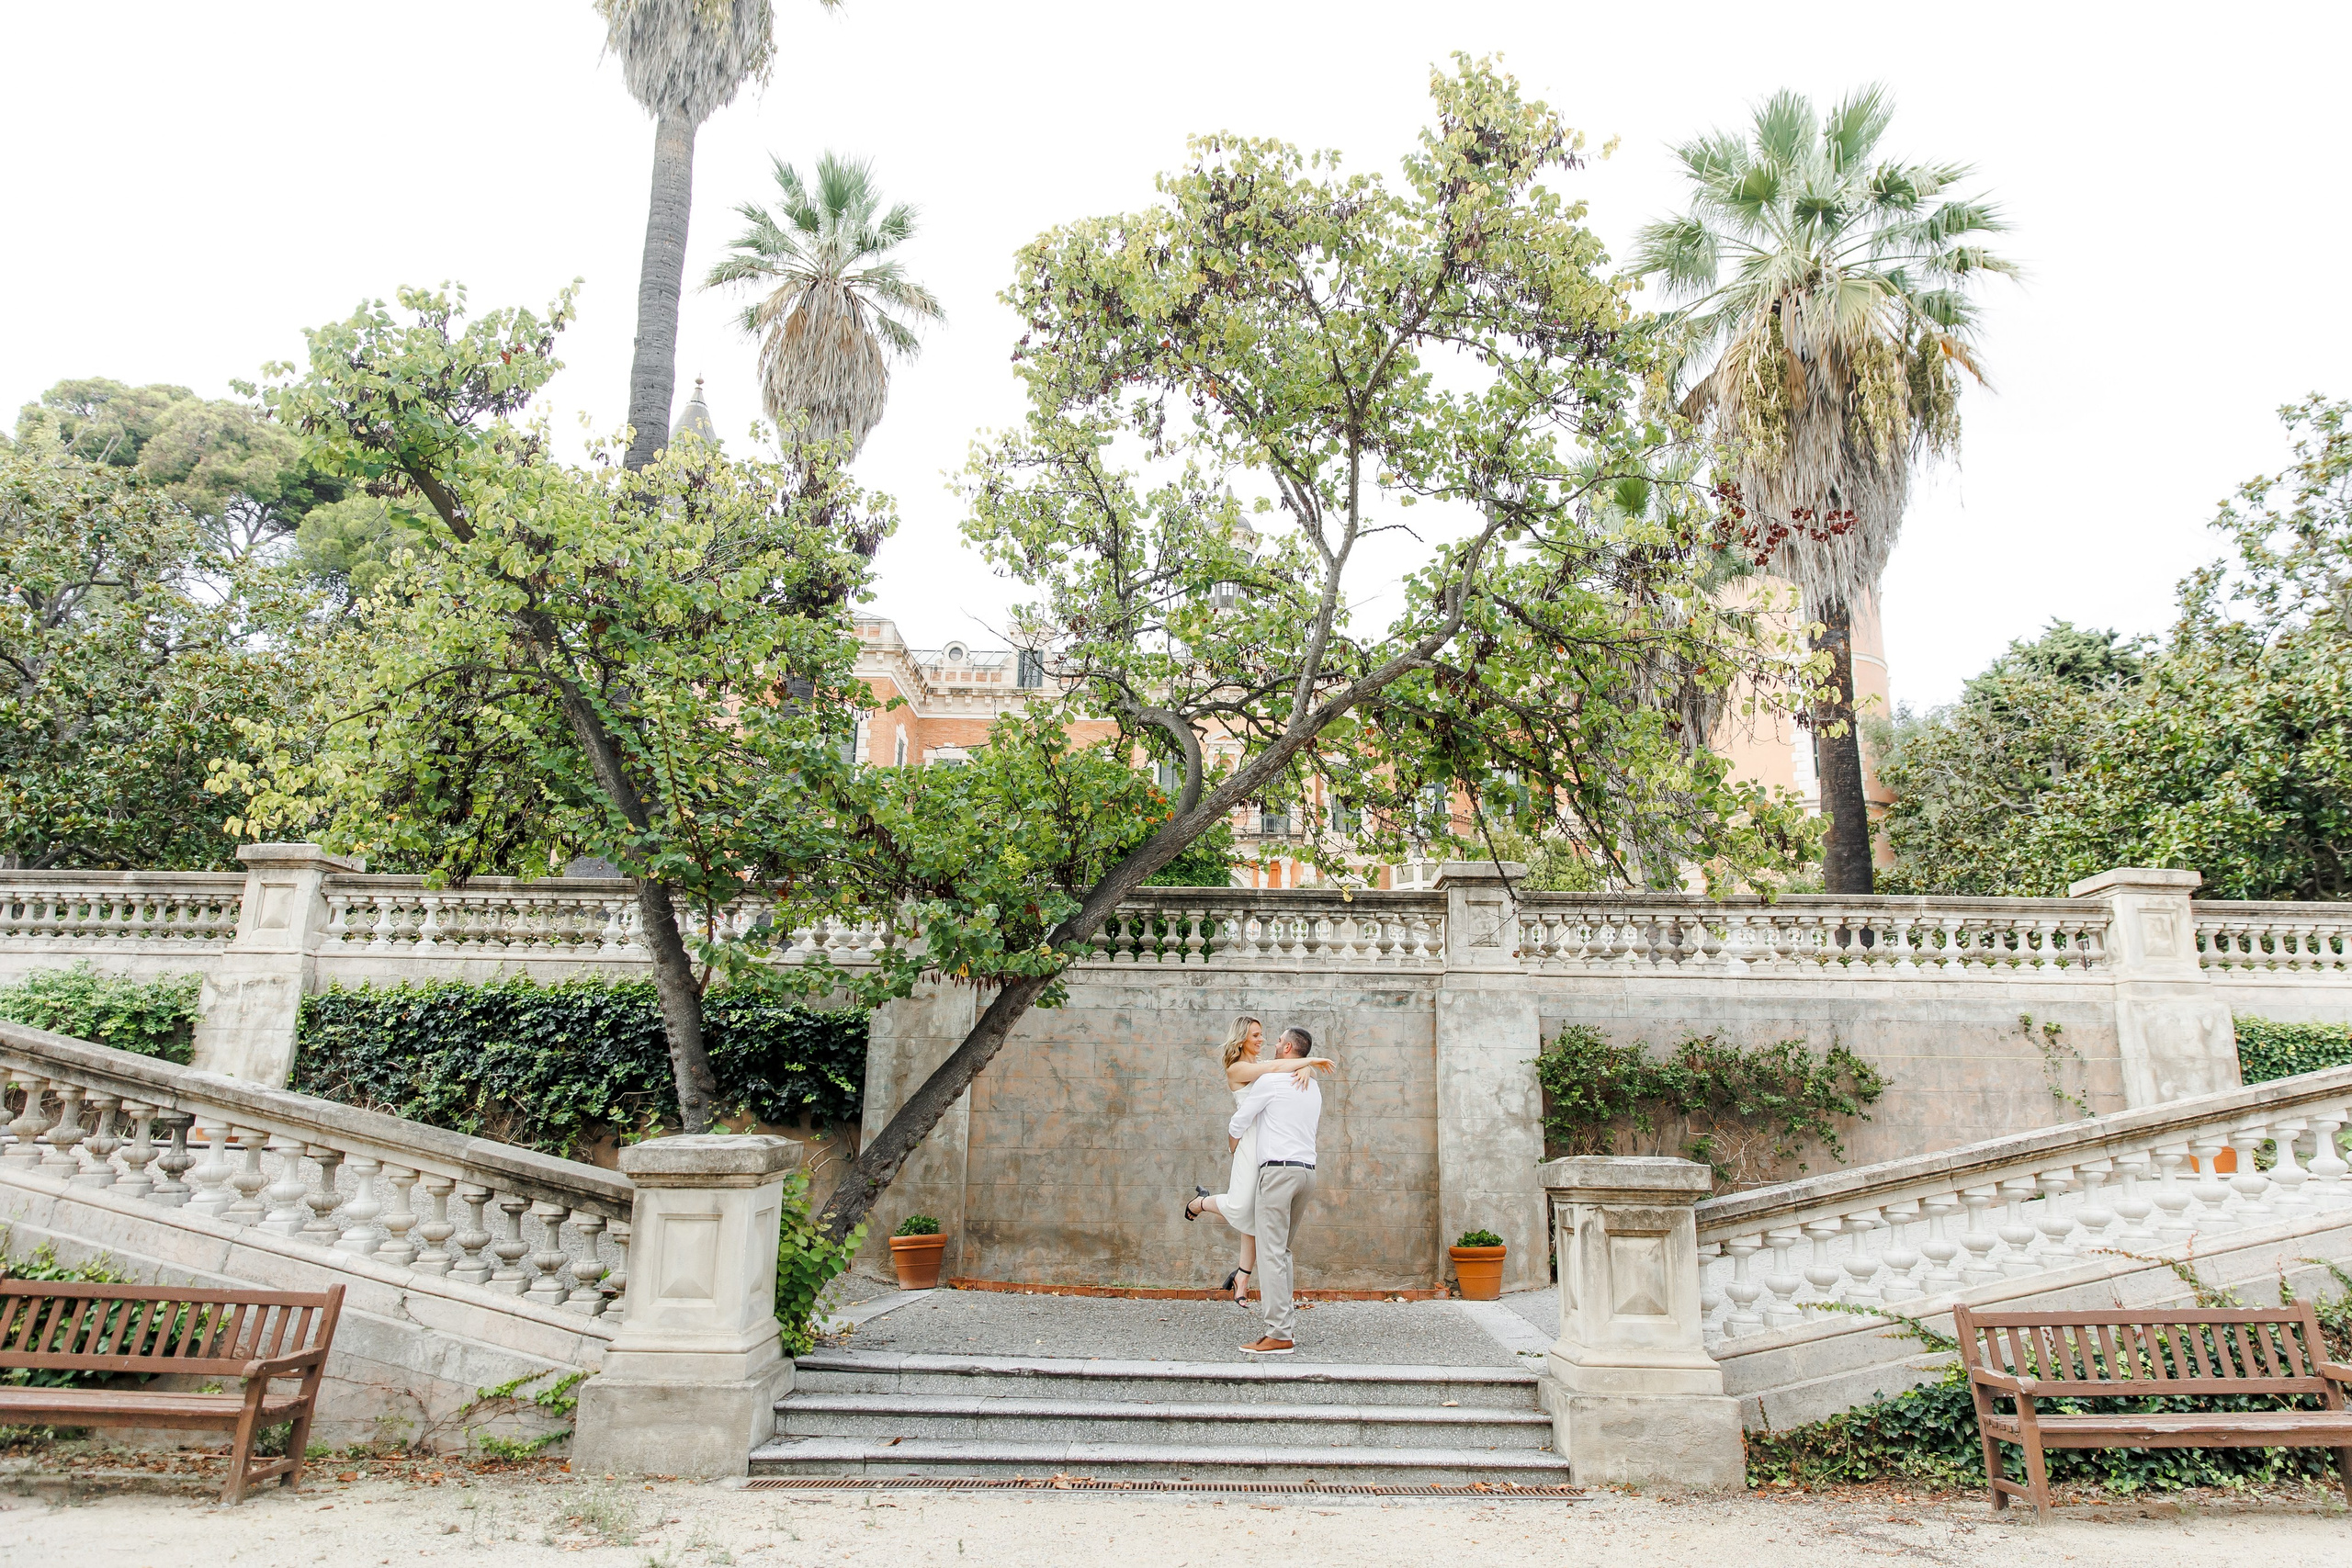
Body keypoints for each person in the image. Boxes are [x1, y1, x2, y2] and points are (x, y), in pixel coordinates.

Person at [1181, 1017, 1331, 1307]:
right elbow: (1276, 1068)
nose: (1262, 1039)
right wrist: (1308, 1062)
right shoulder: (1238, 1068)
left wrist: (1306, 1067)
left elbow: (1280, 1068)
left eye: (1263, 1035)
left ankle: (1243, 1277)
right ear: (1241, 1040)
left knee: (1255, 1215)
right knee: (1241, 1207)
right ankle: (1200, 1202)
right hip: (1249, 1142)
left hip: (1267, 1141)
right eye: (1256, 1035)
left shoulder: (1265, 1063)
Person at [1228, 1026, 1323, 1355]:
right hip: (1306, 1174)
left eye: (1278, 1041)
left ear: (1286, 1048)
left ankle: (1279, 1333)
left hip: (1279, 1173)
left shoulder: (1270, 1080)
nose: (1272, 1044)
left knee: (1270, 1254)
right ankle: (1284, 1327)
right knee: (1281, 1252)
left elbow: (1240, 1120)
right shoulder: (1312, 1086)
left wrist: (1233, 1144)